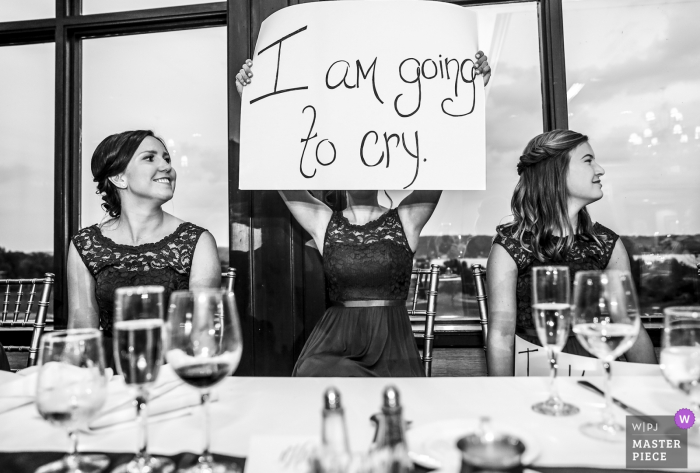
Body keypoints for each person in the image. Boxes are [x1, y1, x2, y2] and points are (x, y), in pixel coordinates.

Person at [236, 53, 492, 376]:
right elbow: (278, 173)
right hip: (332, 348)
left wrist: (473, 92)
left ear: (384, 154)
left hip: (392, 350)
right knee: (318, 376)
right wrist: (253, 104)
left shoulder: (407, 219)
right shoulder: (324, 222)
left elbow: (443, 158)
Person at [485, 129, 657, 376]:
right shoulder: (512, 246)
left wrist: (651, 391)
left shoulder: (607, 244)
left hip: (600, 376)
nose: (600, 170)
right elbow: (501, 336)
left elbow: (629, 326)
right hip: (536, 377)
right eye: (588, 161)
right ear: (556, 171)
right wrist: (503, 400)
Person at [67, 130, 221, 363]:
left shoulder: (198, 241)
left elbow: (203, 334)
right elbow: (81, 332)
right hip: (111, 377)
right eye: (150, 158)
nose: (166, 166)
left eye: (167, 159)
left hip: (175, 375)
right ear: (119, 177)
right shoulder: (85, 244)